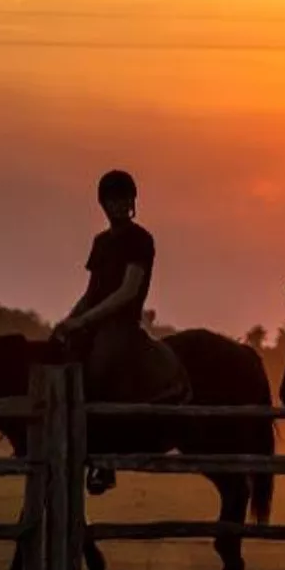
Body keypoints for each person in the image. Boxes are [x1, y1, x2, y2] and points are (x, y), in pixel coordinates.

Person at [53, 169, 188, 408]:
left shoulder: (140, 239)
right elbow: (91, 292)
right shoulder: (101, 242)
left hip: (122, 326)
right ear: (103, 203)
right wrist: (69, 321)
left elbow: (128, 291)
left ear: (131, 201)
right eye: (112, 200)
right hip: (95, 323)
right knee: (56, 353)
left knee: (103, 363)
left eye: (123, 199)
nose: (118, 205)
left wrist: (84, 321)